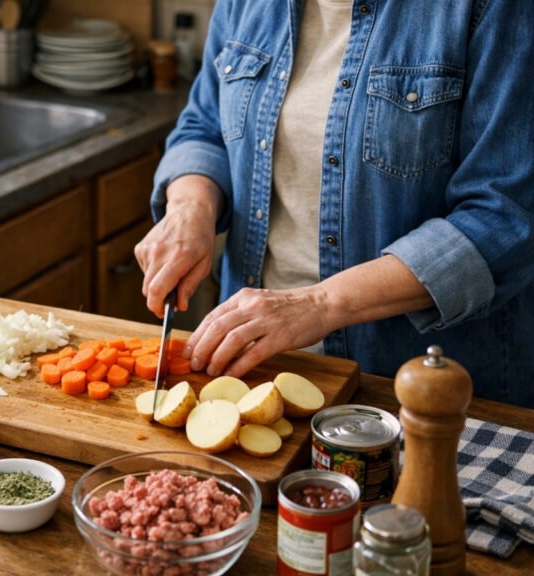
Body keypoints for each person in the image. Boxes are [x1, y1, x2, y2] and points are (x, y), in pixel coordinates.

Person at [135, 0, 534, 407]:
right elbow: (205, 126)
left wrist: (319, 304)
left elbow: (504, 218)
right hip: (254, 369)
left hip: (416, 390)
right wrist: (191, 206)